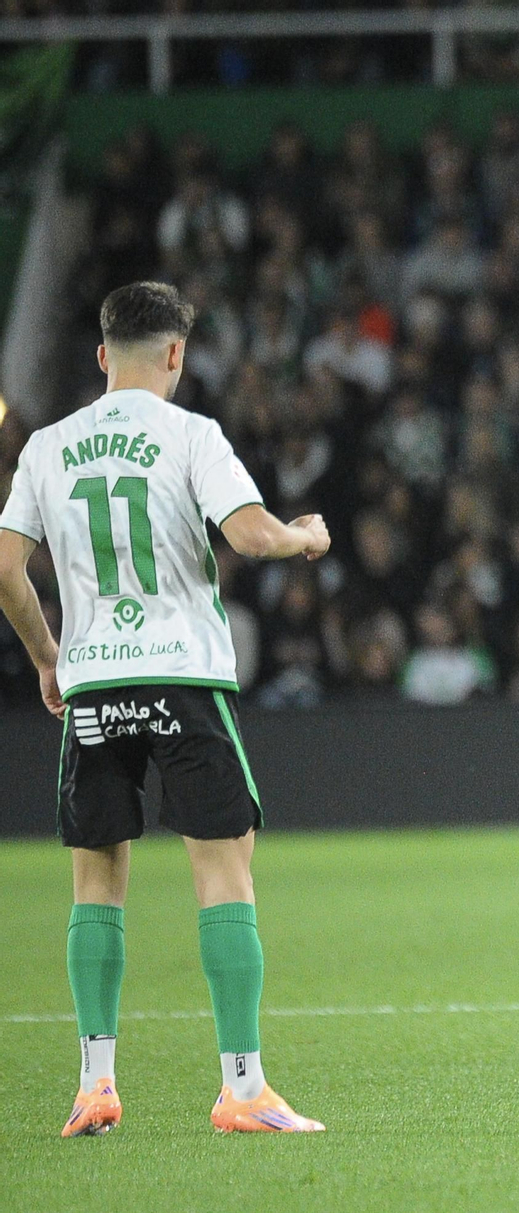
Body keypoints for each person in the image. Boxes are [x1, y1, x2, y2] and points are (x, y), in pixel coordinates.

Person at [0, 282, 330, 1136]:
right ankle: (243, 1087)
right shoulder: (192, 436)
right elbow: (250, 535)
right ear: (176, 353)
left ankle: (95, 1085)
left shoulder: (46, 447)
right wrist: (303, 534)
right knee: (225, 870)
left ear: (102, 355)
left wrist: (48, 655)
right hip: (182, 673)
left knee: (96, 880)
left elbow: (5, 568)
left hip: (94, 683)